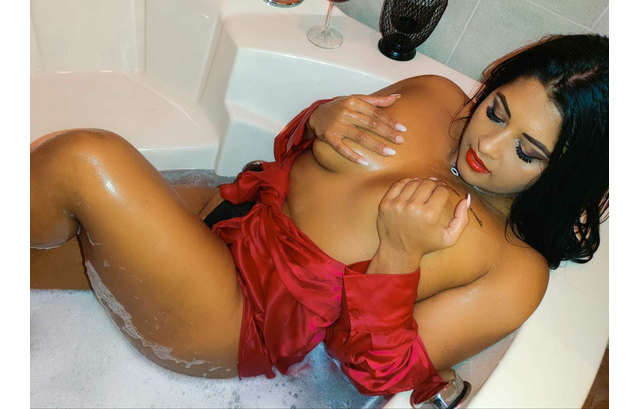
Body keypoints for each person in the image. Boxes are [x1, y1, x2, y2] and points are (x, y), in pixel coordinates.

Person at [30, 33, 609, 404]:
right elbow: (302, 163)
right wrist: (320, 119)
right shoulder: (434, 95)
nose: (487, 143)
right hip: (224, 210)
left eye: (527, 151)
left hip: (234, 313)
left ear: (563, 174)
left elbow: (374, 375)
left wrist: (397, 254)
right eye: (497, 110)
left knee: (84, 160)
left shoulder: (512, 268)